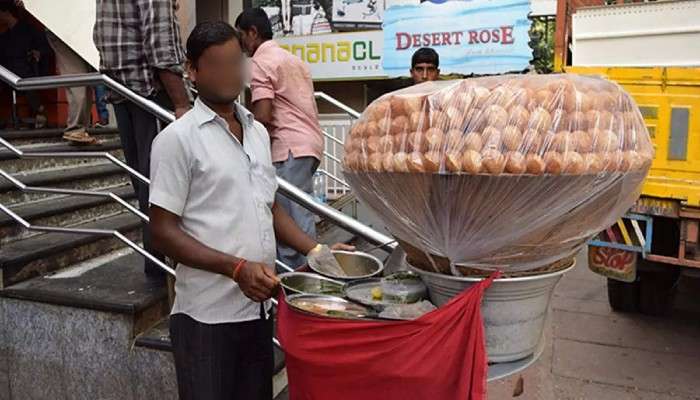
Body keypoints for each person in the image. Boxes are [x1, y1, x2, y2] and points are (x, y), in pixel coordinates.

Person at [149, 21, 352, 400]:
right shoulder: (176, 140)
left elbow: (268, 204)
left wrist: (317, 251)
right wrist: (236, 268)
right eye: (216, 64)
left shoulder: (258, 133)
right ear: (192, 71)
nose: (230, 73)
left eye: (235, 61)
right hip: (205, 319)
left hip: (256, 313)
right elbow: (162, 231)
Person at [94, 0, 191, 280]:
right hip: (149, 92)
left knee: (146, 183)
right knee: (164, 185)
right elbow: (160, 44)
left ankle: (156, 263)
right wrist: (181, 103)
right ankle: (167, 265)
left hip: (124, 90)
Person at [236, 8, 325, 271]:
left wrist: (242, 141)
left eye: (241, 36)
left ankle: (296, 291)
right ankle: (311, 282)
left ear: (252, 33)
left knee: (290, 225)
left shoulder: (260, 62)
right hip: (309, 144)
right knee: (300, 217)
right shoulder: (290, 59)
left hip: (288, 148)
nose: (240, 44)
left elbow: (263, 114)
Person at [0, 1, 50, 128]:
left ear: (6, 13)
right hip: (7, 72)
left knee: (23, 75)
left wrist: (37, 53)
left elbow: (45, 49)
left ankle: (39, 109)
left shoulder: (29, 30)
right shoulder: (4, 36)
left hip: (25, 71)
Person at [46, 32, 100, 144]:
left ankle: (79, 130)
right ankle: (75, 129)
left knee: (85, 83)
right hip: (65, 31)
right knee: (79, 83)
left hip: (73, 31)